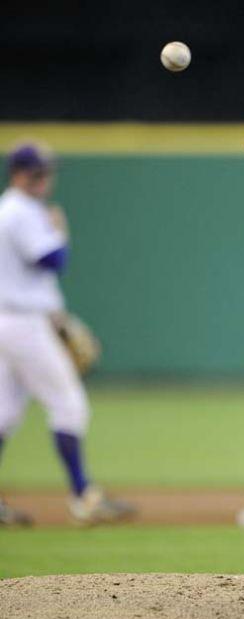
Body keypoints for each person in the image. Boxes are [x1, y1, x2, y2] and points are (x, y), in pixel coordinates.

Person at [0, 143, 135, 526]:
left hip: (13, 320)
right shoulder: (21, 211)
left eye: (47, 172)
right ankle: (83, 497)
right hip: (23, 324)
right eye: (38, 172)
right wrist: (59, 231)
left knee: (4, 412)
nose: (45, 179)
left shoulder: (11, 208)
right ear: (20, 173)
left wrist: (56, 318)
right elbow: (53, 260)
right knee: (69, 404)